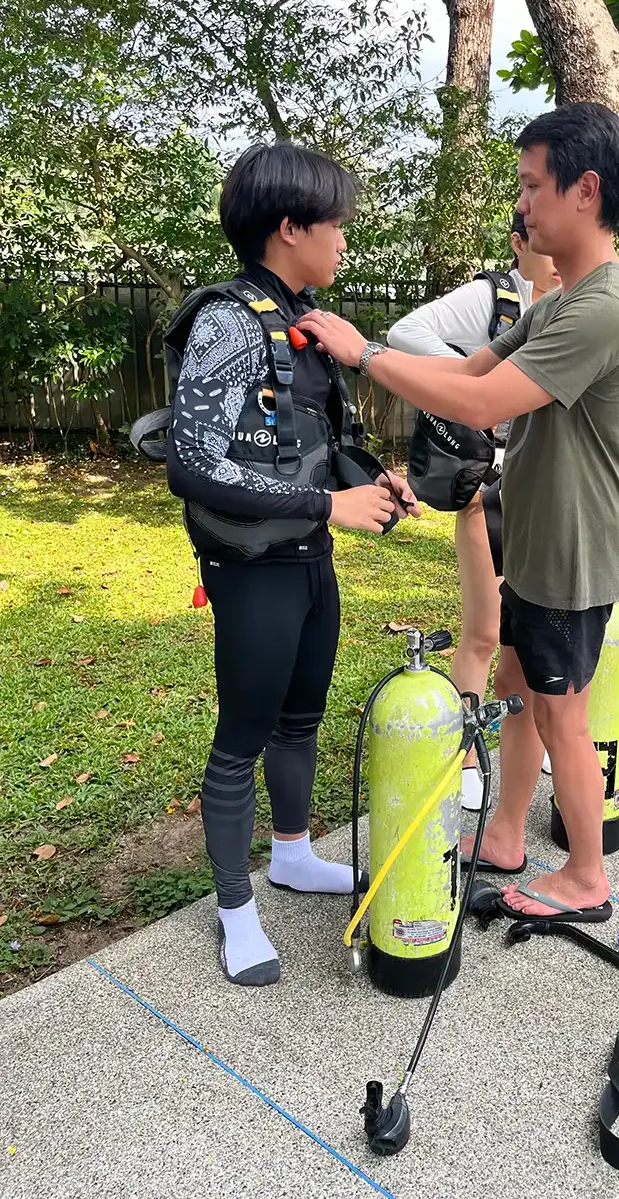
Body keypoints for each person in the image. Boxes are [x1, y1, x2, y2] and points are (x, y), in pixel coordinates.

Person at [297, 101, 619, 922]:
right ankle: (503, 840)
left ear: (585, 190)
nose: (521, 205)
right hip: (534, 538)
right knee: (522, 685)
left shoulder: (605, 308)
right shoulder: (561, 300)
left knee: (561, 708)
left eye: (532, 186)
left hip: (572, 548)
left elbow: (484, 396)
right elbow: (479, 377)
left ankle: (587, 879)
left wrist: (366, 353)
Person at [165, 142, 418, 985]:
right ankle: (236, 910)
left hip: (312, 563)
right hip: (254, 569)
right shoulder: (228, 321)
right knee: (242, 735)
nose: (345, 239)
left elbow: (317, 443)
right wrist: (325, 506)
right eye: (335, 223)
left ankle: (294, 853)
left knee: (300, 717)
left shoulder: (305, 322)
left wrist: (372, 485)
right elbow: (194, 463)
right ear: (288, 226)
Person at [386, 212, 562, 811]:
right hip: (487, 482)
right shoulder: (493, 296)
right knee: (485, 631)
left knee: (534, 638)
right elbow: (406, 332)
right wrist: (476, 379)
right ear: (519, 242)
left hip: (551, 488)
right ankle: (463, 755)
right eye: (536, 236)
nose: (551, 248)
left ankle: (528, 745)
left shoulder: (582, 300)